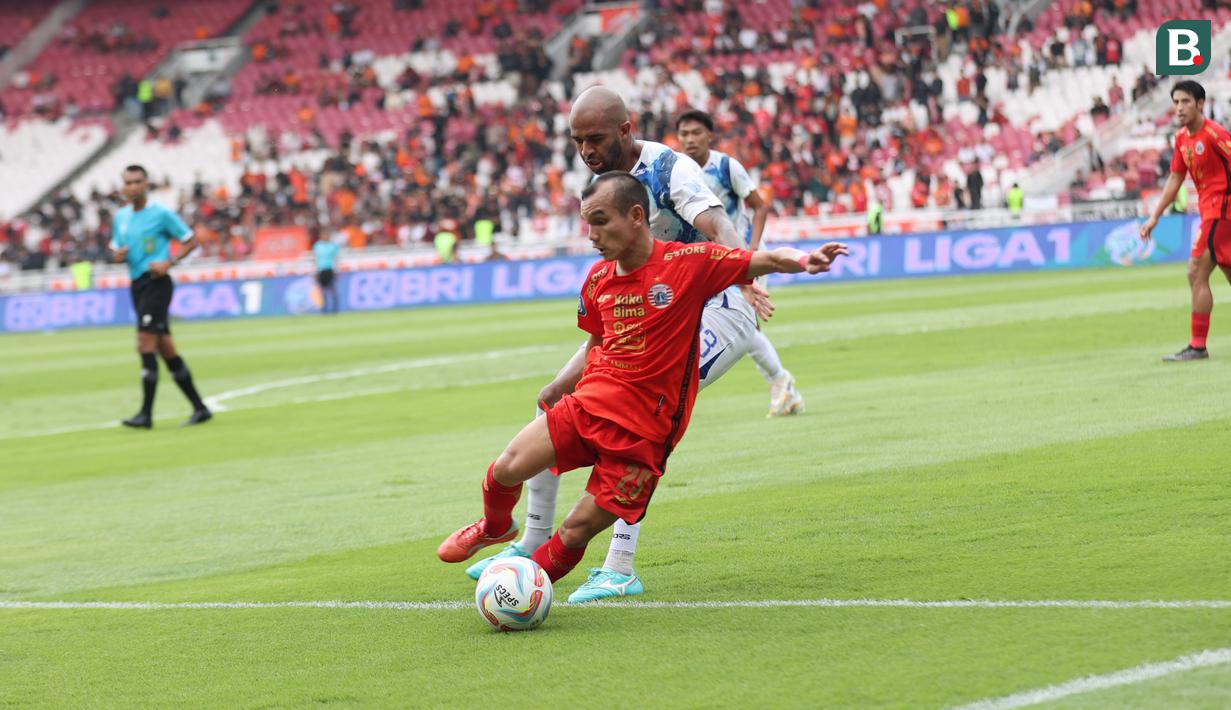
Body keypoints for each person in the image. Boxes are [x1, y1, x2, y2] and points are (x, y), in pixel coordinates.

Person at [437, 172, 848, 588]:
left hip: (645, 434)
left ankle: (522, 587)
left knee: (576, 530)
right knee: (504, 470)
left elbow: (766, 259)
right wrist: (559, 389)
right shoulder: (598, 279)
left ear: (636, 215)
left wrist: (805, 260)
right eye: (588, 224)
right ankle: (496, 527)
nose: (593, 235)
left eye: (601, 221)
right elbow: (595, 345)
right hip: (589, 407)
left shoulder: (688, 264)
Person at [464, 86, 773, 604]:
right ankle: (530, 543)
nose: (586, 150)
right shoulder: (604, 181)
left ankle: (619, 566)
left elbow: (717, 223)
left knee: (649, 409)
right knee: (553, 397)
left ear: (626, 131)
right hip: (649, 311)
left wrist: (744, 274)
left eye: (595, 138)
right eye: (578, 141)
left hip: (717, 303)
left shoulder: (668, 168)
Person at [676, 108, 805, 417]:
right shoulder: (678, 170)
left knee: (743, 324)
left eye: (696, 133)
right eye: (684, 134)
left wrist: (752, 251)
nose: (690, 139)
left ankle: (782, 384)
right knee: (739, 326)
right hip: (708, 263)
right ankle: (784, 385)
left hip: (738, 257)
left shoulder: (725, 166)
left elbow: (759, 206)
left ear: (710, 136)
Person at [108, 165, 212, 428]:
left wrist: (170, 262)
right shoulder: (120, 217)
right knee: (166, 349)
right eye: (128, 182)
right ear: (123, 186)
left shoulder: (161, 213)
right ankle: (200, 408)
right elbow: (116, 247)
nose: (133, 187)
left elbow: (190, 240)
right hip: (137, 284)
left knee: (145, 342)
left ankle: (145, 414)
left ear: (146, 184)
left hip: (157, 283)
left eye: (137, 182)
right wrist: (117, 255)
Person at [1141, 81, 1231, 362]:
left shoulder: (1215, 134)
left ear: (1201, 104)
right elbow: (1175, 178)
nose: (1179, 108)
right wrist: (1155, 215)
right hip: (1210, 212)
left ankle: (1197, 345)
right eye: (1176, 102)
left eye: (1186, 102)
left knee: (1195, 271)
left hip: (1223, 211)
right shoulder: (1181, 138)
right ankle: (1197, 346)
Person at [312, 236, 340, 314]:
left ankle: (335, 309)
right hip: (321, 270)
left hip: (330, 269)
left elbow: (336, 258)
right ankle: (324, 309)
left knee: (332, 290)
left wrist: (337, 269)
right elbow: (315, 258)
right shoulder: (317, 246)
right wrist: (316, 270)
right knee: (322, 291)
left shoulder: (333, 246)